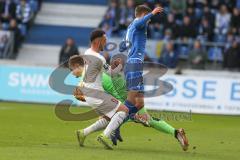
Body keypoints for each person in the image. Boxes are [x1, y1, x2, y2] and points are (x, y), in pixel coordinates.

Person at [69, 56, 189, 151]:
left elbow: (113, 87)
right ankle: (84, 133)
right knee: (116, 118)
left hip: (125, 94)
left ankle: (175, 133)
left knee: (143, 118)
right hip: (123, 93)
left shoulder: (87, 78)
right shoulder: (90, 74)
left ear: (77, 66)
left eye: (71, 70)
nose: (71, 73)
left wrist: (130, 110)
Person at [70, 29, 130, 150]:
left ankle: (83, 133)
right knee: (124, 110)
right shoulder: (99, 58)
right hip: (96, 93)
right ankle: (104, 136)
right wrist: (120, 66)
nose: (106, 42)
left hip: (89, 93)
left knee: (108, 118)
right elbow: (112, 74)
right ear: (98, 41)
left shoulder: (87, 52)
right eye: (104, 40)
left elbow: (100, 70)